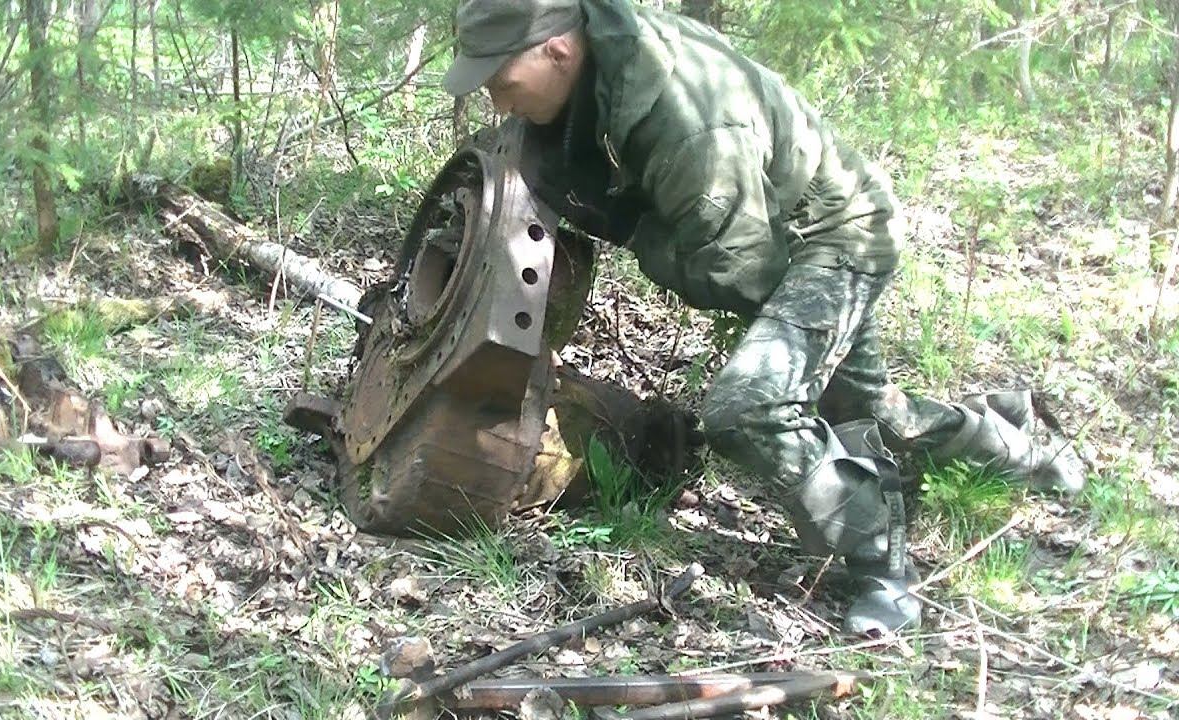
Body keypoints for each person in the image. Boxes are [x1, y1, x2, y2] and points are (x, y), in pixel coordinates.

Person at [441, 0, 1084, 635]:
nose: (500, 102)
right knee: (869, 413)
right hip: (795, 233)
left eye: (503, 82)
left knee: (747, 408)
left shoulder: (684, 115)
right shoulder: (598, 61)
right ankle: (1020, 446)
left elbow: (736, 266)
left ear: (557, 49)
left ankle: (880, 563)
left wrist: (636, 228)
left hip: (833, 238)